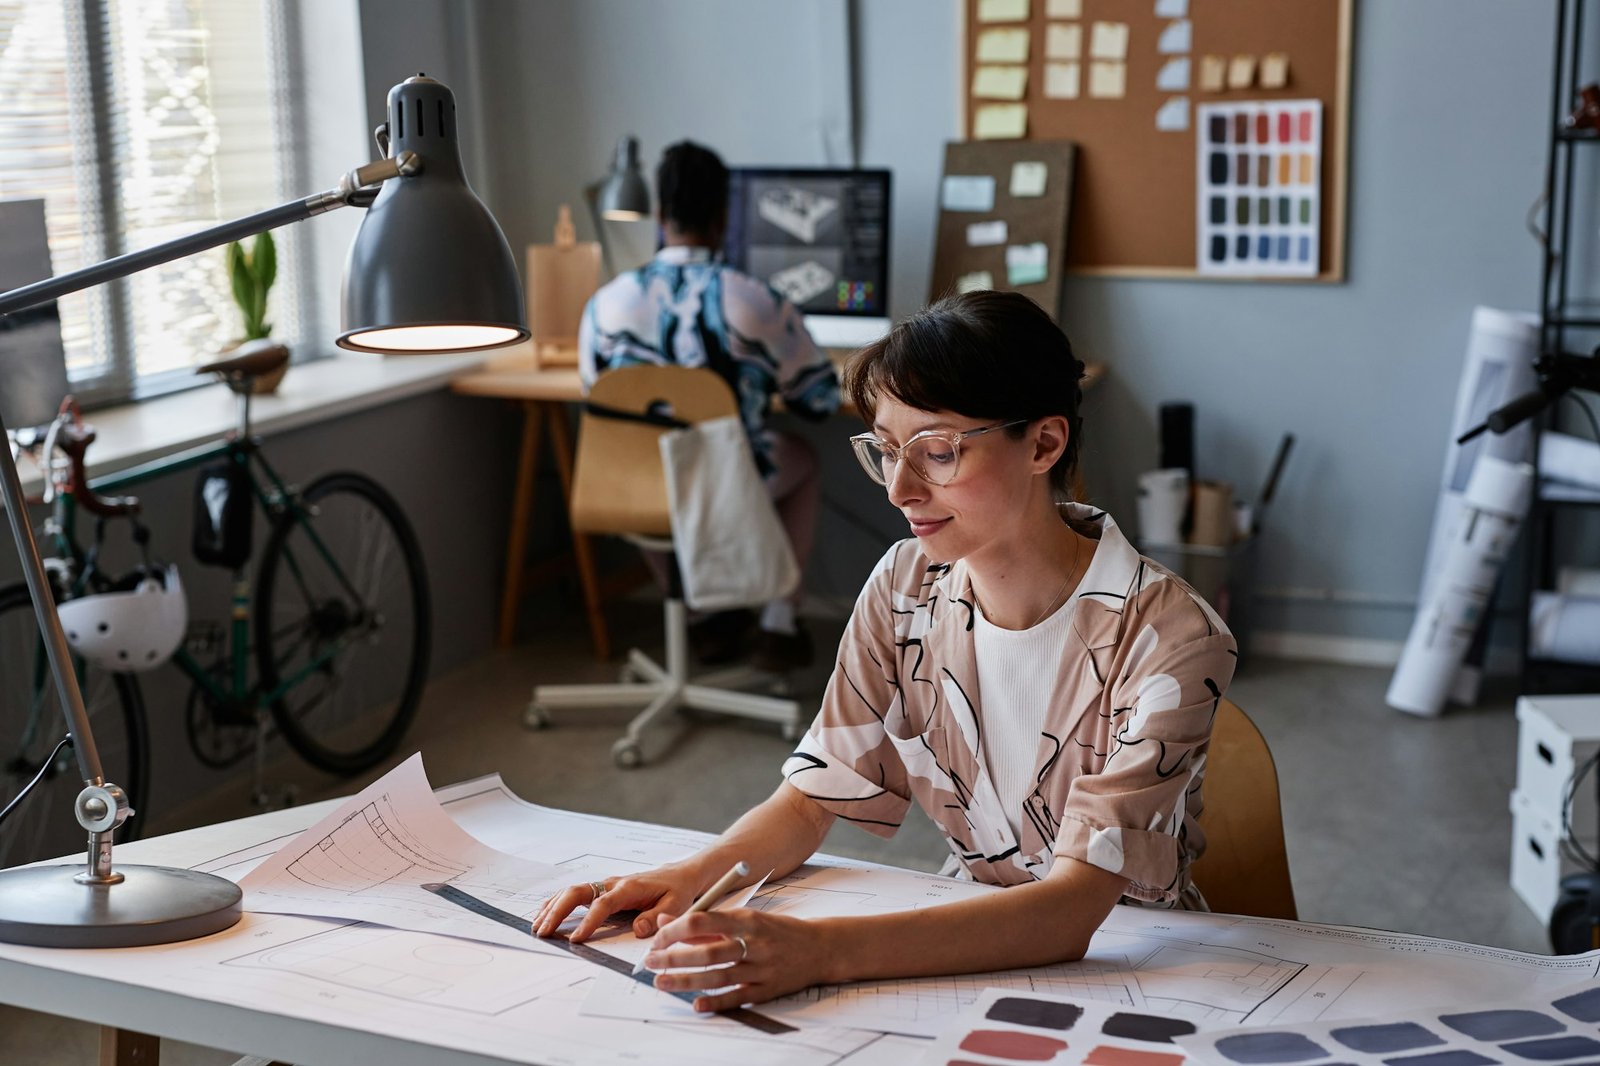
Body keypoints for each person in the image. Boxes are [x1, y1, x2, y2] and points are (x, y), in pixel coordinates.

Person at [540, 289, 1237, 1010]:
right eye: (885, 451)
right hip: (965, 949)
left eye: (936, 452)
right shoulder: (906, 585)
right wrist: (694, 873)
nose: (900, 489)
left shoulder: (1173, 636)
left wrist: (820, 951)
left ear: (1044, 443)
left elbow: (1069, 912)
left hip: (1141, 977)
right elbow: (813, 799)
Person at [578, 140, 840, 670]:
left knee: (647, 468)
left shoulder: (603, 305)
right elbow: (819, 400)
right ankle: (778, 625)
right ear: (724, 219)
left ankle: (704, 623)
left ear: (659, 218)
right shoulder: (754, 299)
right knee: (804, 458)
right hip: (727, 482)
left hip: (632, 485)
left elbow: (597, 398)